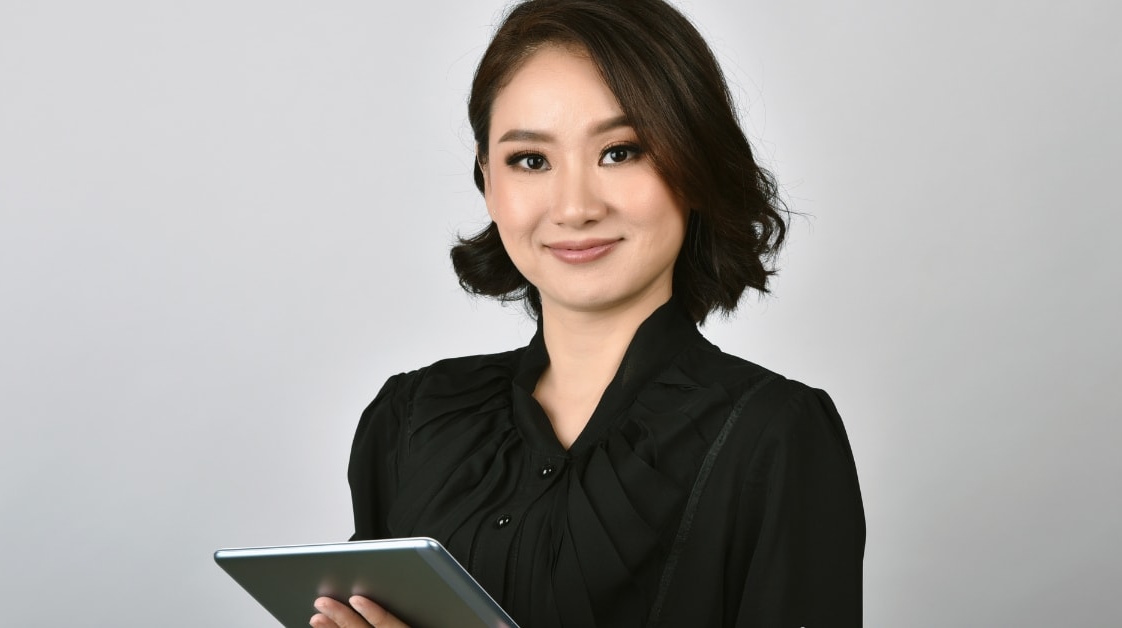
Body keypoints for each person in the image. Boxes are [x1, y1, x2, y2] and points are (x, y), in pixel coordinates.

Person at [311, 0, 865, 626]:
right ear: (486, 177)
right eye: (531, 159)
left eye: (621, 151)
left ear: (694, 162)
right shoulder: (408, 418)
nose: (575, 207)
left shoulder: (776, 435)